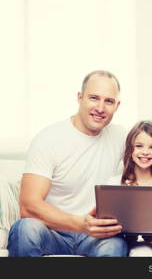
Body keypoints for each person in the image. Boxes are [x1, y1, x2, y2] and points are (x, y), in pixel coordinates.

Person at [7, 70, 128, 257]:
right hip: (53, 231)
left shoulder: (120, 136)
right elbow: (28, 206)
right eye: (94, 98)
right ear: (80, 98)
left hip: (95, 237)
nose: (101, 108)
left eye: (109, 101)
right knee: (25, 229)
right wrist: (81, 224)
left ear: (117, 106)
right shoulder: (49, 138)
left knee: (115, 245)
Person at [107, 120, 152, 257]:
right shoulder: (116, 184)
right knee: (142, 253)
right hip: (133, 242)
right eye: (139, 146)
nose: (145, 152)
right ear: (130, 149)